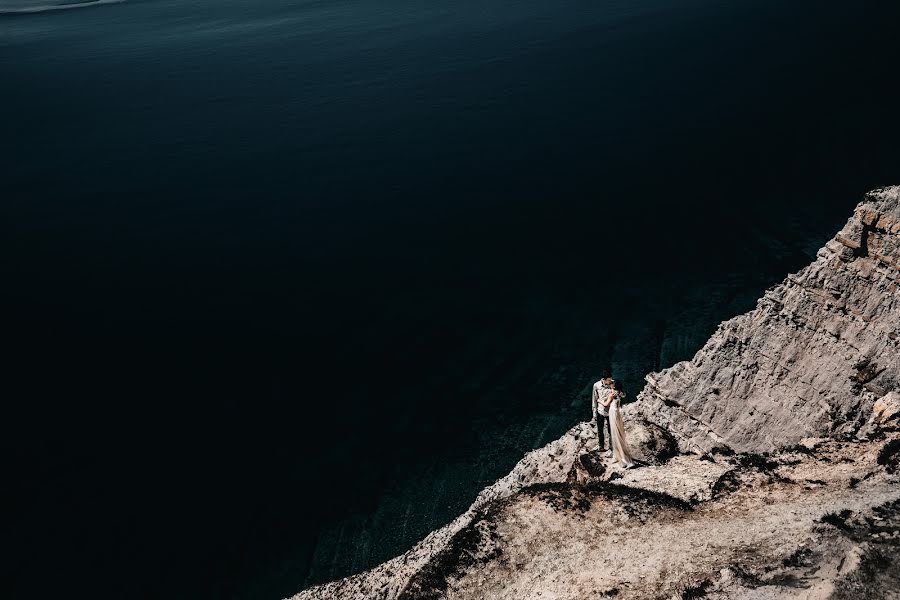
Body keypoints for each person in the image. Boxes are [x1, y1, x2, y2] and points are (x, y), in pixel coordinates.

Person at [607, 381, 636, 468]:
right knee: (618, 432)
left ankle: (623, 459)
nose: (611, 384)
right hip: (617, 413)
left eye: (613, 384)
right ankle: (617, 456)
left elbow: (606, 404)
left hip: (613, 413)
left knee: (615, 433)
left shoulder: (612, 394)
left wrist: (599, 401)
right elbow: (623, 395)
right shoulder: (620, 393)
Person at [591, 374, 614, 457]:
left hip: (610, 411)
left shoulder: (613, 384)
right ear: (603, 379)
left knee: (610, 430)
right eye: (609, 379)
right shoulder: (596, 385)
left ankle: (611, 448)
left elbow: (621, 393)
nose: (610, 381)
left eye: (611, 379)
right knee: (600, 429)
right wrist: (594, 412)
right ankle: (601, 446)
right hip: (600, 411)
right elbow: (594, 399)